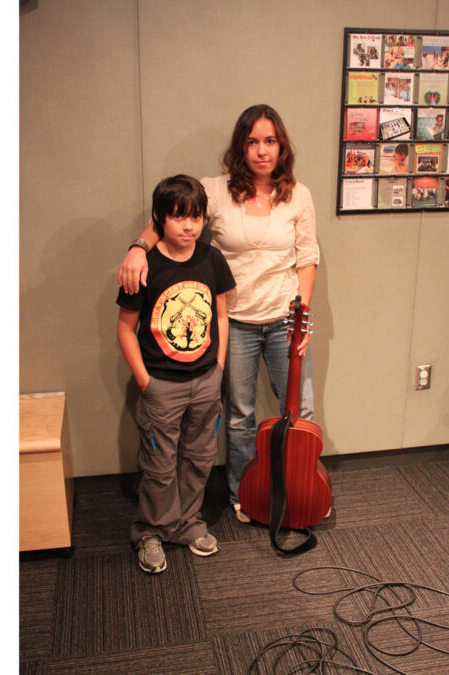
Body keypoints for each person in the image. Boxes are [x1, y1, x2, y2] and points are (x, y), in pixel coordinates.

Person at [118, 104, 319, 524]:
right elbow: (172, 214)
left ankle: (298, 491)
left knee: (300, 412)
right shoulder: (217, 190)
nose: (261, 151)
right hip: (236, 322)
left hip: (285, 319)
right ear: (240, 147)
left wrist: (303, 313)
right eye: (252, 142)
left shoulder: (298, 195)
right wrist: (138, 246)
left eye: (270, 141)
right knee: (241, 416)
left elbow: (307, 259)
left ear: (281, 146)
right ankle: (245, 495)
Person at [117, 174, 236, 573]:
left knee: (200, 457)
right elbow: (124, 329)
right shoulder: (144, 267)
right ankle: (150, 531)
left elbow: (221, 314)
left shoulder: (211, 259)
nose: (188, 225)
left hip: (206, 379)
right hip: (161, 384)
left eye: (196, 217)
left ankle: (187, 523)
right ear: (158, 219)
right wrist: (145, 382)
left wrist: (218, 367)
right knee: (159, 462)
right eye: (178, 217)